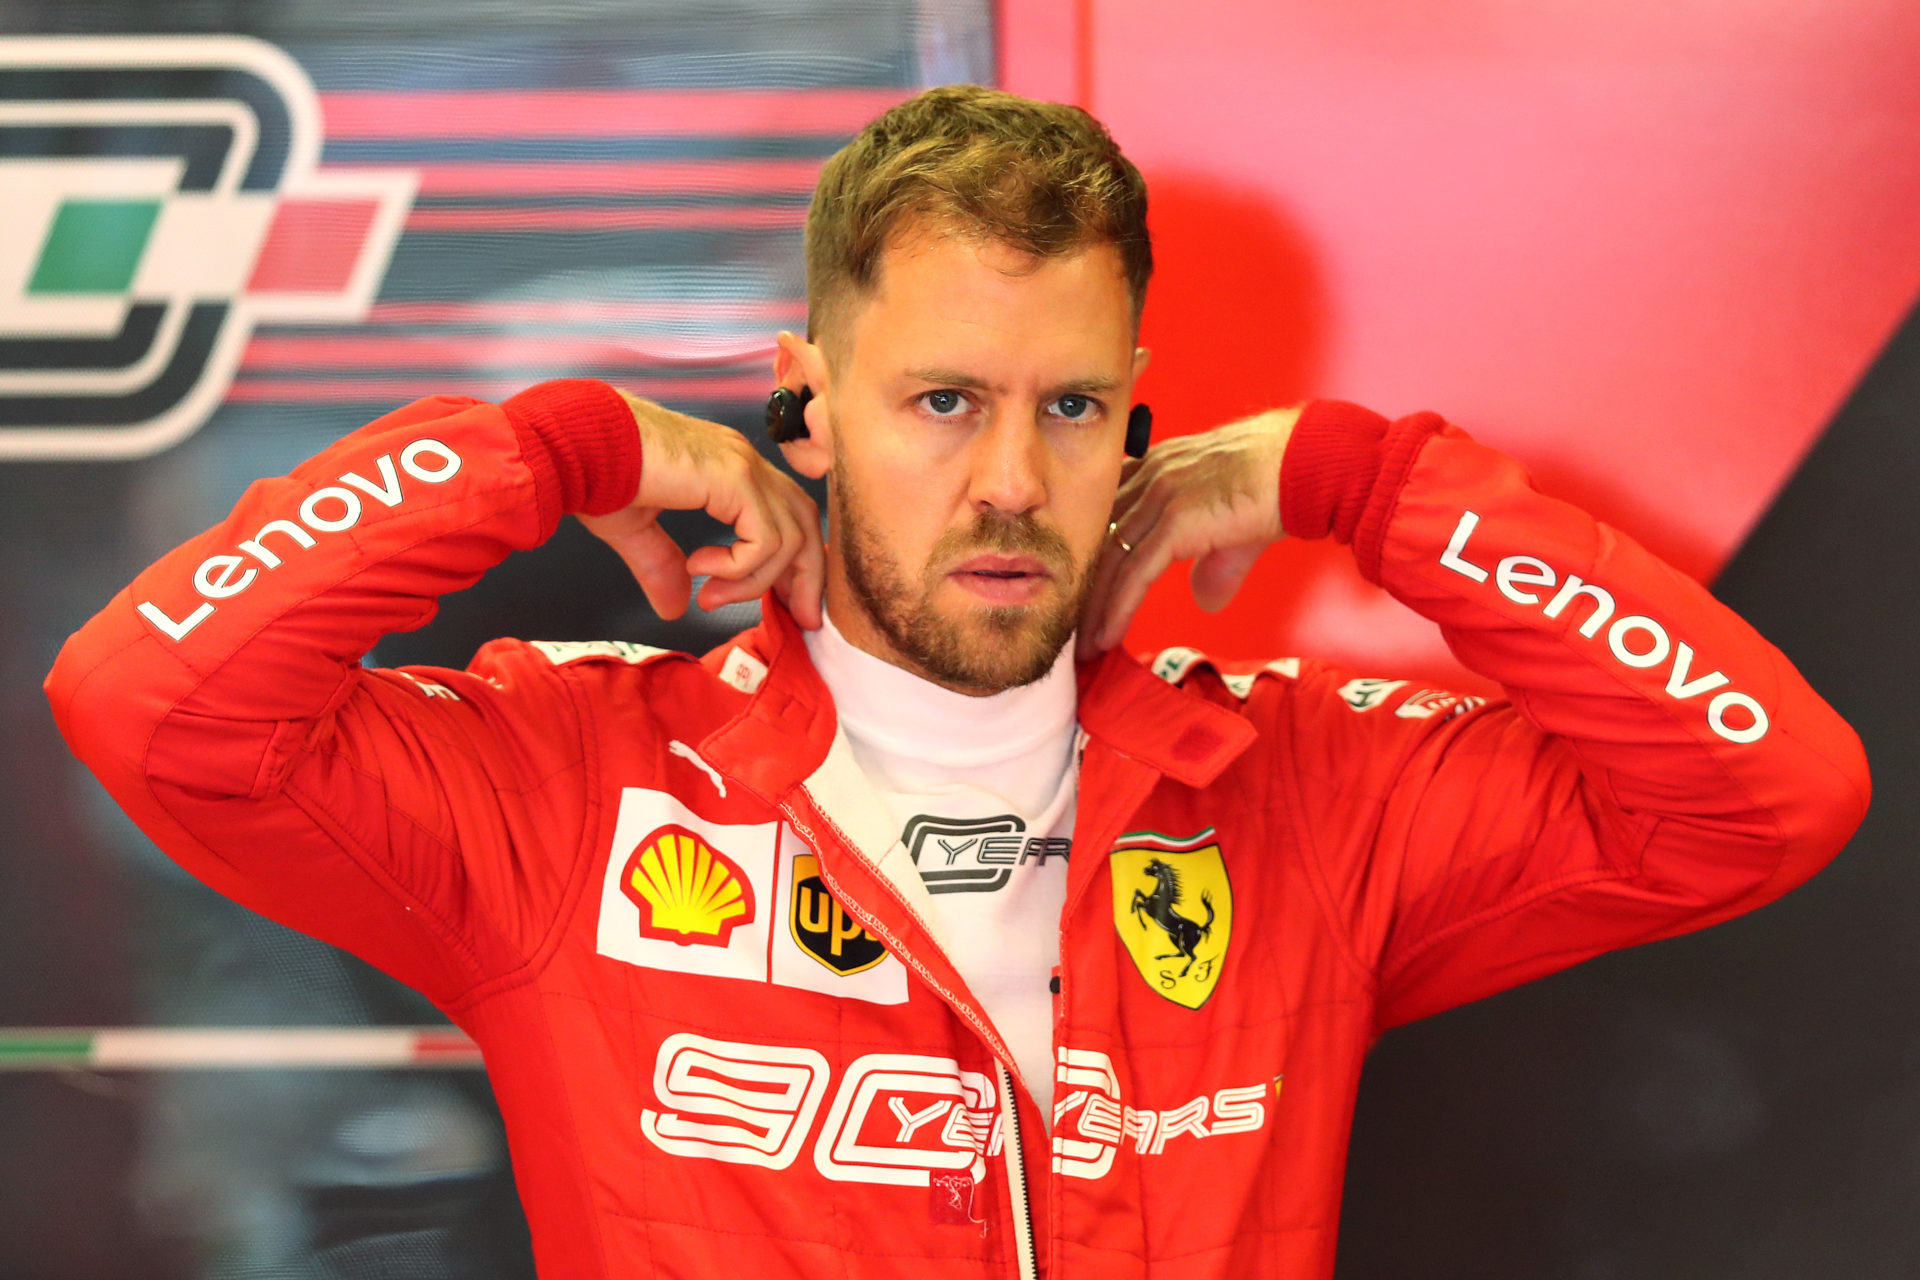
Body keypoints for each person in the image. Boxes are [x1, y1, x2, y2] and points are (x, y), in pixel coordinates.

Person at [47, 85, 1868, 1280]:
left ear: (1134, 415)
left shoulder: (1306, 789)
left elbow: (1768, 791)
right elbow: (146, 696)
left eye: (1067, 406)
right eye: (940, 401)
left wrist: (1355, 484)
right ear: (810, 400)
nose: (1009, 477)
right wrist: (560, 448)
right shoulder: (572, 777)